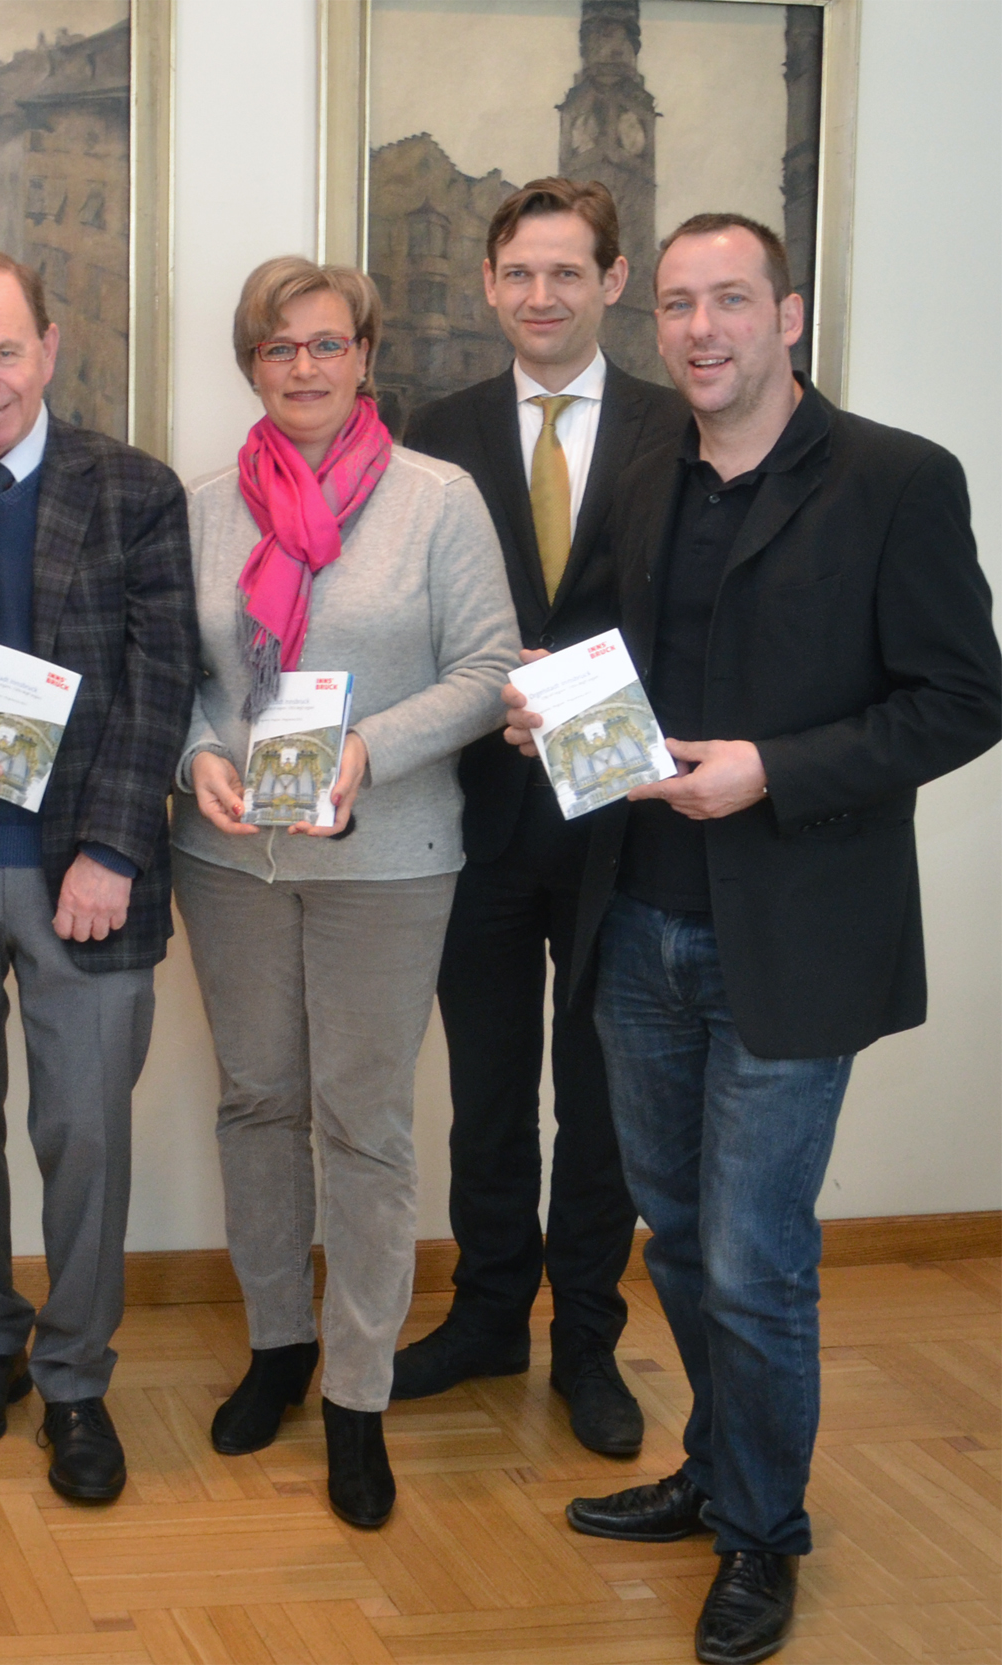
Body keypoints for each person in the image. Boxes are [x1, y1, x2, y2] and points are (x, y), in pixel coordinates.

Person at [507, 214, 1001, 1665]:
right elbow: (610, 643)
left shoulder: (899, 479)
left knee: (759, 1260)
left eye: (731, 301)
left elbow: (964, 699)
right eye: (677, 304)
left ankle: (763, 1534)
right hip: (638, 918)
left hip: (795, 934)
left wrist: (772, 768)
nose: (701, 328)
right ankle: (725, 1468)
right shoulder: (650, 464)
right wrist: (554, 690)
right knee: (683, 1230)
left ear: (789, 315)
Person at [172, 257, 517, 1530]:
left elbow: (487, 670)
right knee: (257, 1103)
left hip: (387, 859)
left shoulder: (438, 501)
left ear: (366, 358)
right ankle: (277, 1345)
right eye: (278, 348)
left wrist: (369, 749)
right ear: (250, 365)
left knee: (363, 1124)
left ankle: (358, 1393)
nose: (303, 367)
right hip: (231, 860)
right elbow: (184, 677)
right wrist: (198, 754)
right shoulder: (210, 507)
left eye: (326, 344)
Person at [0, 250, 196, 1503]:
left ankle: (75, 1378)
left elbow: (160, 678)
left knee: (85, 1135)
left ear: (50, 349)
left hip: (83, 873)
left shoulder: (134, 491)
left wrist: (115, 848)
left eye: (4, 350)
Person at [392, 178, 686, 1455]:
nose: (541, 296)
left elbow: (701, 618)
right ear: (490, 285)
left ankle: (587, 1345)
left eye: (568, 273)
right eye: (519, 273)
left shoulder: (681, 429)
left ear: (612, 282)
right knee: (489, 1089)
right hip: (477, 814)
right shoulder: (432, 430)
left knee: (605, 1092)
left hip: (631, 822)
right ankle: (485, 1317)